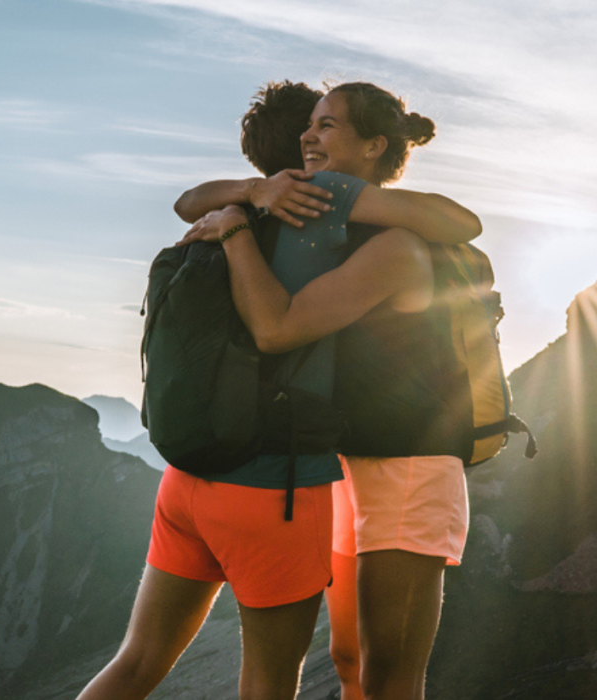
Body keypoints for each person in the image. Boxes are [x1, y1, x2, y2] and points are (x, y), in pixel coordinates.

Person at [77, 81, 479, 700]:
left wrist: (241, 210)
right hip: (328, 463)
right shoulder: (290, 206)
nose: (310, 138)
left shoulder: (336, 211)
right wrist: (251, 198)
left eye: (327, 127)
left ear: (373, 146)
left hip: (401, 460)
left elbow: (459, 223)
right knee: (351, 663)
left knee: (377, 670)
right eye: (309, 126)